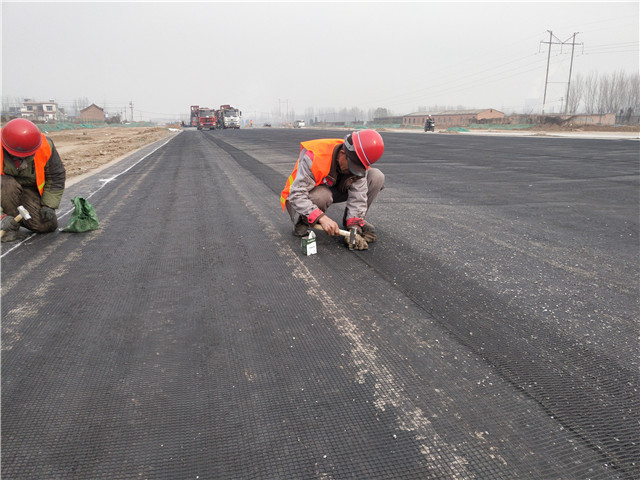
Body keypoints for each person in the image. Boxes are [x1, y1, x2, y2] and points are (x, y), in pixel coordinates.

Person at [280, 129, 385, 250]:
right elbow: (296, 194)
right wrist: (321, 218)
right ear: (342, 153)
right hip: (311, 195)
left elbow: (358, 195)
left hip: (337, 189)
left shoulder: (359, 162)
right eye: (352, 166)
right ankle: (305, 220)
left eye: (357, 168)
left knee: (376, 176)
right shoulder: (315, 156)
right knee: (322, 195)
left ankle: (351, 222)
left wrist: (354, 228)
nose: (353, 171)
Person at [1, 118, 66, 242]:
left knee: (47, 225)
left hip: (28, 190)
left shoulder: (45, 146)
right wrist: (1, 218)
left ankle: (15, 220)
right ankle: (7, 226)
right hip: (4, 189)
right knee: (7, 184)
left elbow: (56, 176)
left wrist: (48, 205)